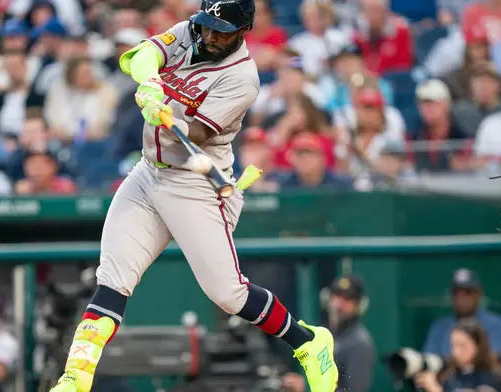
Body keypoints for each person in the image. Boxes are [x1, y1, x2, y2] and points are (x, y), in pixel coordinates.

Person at [48, 1, 339, 391]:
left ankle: (308, 343)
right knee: (112, 279)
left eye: (222, 29)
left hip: (194, 185)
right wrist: (150, 82)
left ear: (244, 30)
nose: (211, 35)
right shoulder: (191, 31)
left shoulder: (243, 77)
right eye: (208, 25)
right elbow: (140, 55)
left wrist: (165, 108)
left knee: (229, 294)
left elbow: (198, 135)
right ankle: (75, 378)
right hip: (147, 174)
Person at [283, 275, 375, 392]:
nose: (339, 304)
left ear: (359, 305)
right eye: (336, 296)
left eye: (348, 299)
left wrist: (305, 387)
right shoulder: (324, 333)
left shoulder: (360, 343)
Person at [423, 268, 501, 362]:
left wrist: (452, 361)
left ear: (478, 294)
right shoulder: (439, 326)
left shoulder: (495, 323)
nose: (461, 299)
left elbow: (494, 356)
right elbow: (429, 358)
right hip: (447, 376)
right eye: (457, 294)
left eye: (467, 293)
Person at [416, 319, 501, 392]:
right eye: (453, 345)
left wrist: (435, 389)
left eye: (462, 345)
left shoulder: (492, 377)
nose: (456, 351)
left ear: (478, 346)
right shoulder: (450, 376)